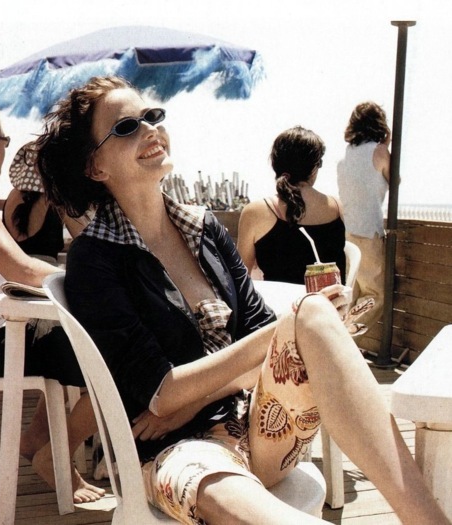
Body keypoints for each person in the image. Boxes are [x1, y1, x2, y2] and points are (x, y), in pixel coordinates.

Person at [36, 76, 449, 525]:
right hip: (175, 452)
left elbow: (255, 346)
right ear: (96, 167)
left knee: (313, 313)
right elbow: (160, 393)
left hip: (260, 423)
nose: (150, 129)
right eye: (126, 126)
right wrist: (284, 329)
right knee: (302, 317)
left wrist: (197, 399)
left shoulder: (205, 230)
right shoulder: (95, 258)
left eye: (152, 116)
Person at [0, 99, 104, 503]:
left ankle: (37, 440)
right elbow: (22, 270)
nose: (5, 146)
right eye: (2, 138)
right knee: (118, 353)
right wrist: (99, 281)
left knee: (80, 340)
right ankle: (54, 453)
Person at [237, 126, 346, 285]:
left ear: (275, 164)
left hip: (279, 301)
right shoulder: (337, 207)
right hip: (330, 300)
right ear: (314, 168)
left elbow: (240, 278)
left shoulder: (255, 212)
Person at [337, 101, 391, 337]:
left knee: (354, 294)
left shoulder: (346, 155)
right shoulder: (379, 151)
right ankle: (344, 340)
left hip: (348, 233)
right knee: (375, 297)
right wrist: (387, 144)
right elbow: (395, 180)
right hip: (369, 232)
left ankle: (338, 338)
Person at [2, 141, 89, 264]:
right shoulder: (56, 199)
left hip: (11, 269)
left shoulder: (12, 195)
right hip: (45, 271)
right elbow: (86, 239)